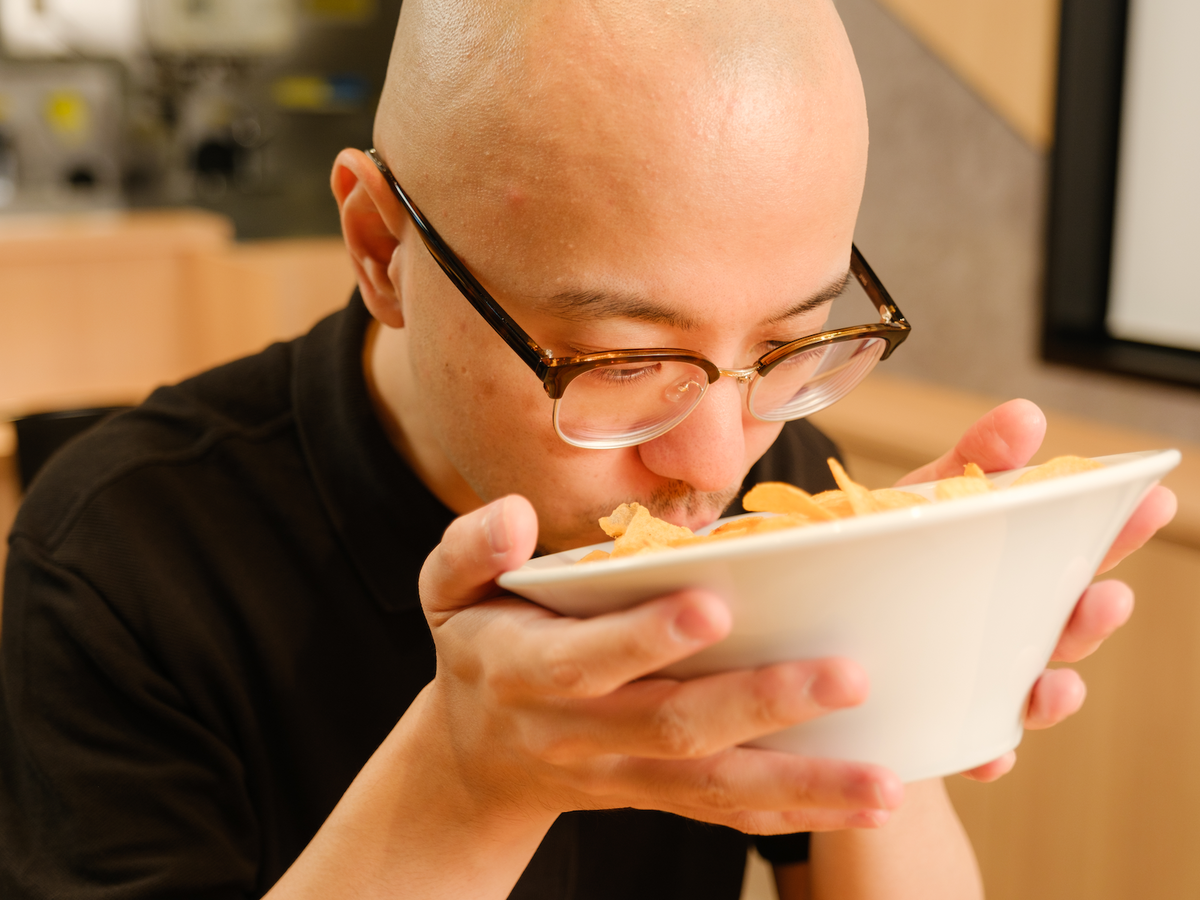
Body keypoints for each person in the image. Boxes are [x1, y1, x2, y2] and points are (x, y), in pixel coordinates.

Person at [0, 1, 1176, 898]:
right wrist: (467, 785)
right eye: (621, 362)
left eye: (793, 340)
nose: (715, 464)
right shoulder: (117, 555)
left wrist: (897, 679)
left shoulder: (779, 468)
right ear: (378, 247)